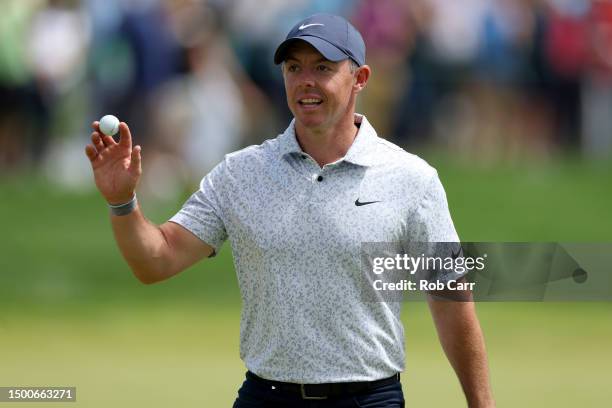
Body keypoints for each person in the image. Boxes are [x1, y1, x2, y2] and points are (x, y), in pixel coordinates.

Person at [85, 13, 495, 408]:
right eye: (294, 68)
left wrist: (482, 403)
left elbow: (450, 298)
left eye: (323, 67)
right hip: (267, 396)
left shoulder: (411, 179)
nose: (306, 82)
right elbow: (155, 261)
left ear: (360, 78)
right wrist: (123, 202)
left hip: (369, 399)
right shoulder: (240, 173)